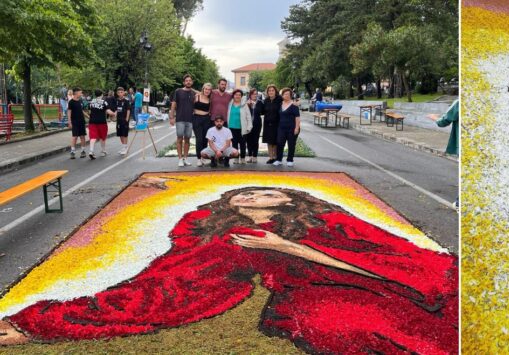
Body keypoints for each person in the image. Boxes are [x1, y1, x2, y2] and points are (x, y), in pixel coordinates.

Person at [0, 187, 458, 354]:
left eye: (265, 195)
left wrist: (288, 247)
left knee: (366, 324)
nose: (253, 199)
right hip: (282, 286)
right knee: (161, 292)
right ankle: (41, 322)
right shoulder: (219, 233)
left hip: (342, 276)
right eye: (244, 196)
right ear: (229, 203)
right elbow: (170, 277)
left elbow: (376, 262)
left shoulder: (328, 222)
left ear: (290, 200)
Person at [170, 74, 196, 167]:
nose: (188, 82)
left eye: (190, 80)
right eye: (186, 80)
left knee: (188, 139)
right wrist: (171, 117)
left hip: (190, 120)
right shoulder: (178, 91)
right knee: (180, 138)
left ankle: (185, 158)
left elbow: (201, 95)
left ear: (192, 82)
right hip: (180, 119)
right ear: (184, 82)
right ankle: (180, 159)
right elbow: (173, 104)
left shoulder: (194, 93)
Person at [274, 88, 300, 167]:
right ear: (282, 95)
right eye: (285, 94)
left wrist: (296, 128)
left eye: (288, 94)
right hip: (281, 128)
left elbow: (297, 118)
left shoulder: (294, 105)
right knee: (279, 143)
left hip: (292, 128)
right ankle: (279, 159)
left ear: (291, 95)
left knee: (291, 144)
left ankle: (290, 160)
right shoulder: (280, 104)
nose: (286, 96)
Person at [86, 89, 114, 159]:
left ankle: (91, 151)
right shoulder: (104, 102)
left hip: (92, 122)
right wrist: (114, 113)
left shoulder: (91, 102)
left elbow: (89, 112)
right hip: (102, 122)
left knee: (93, 137)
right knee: (102, 137)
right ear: (101, 95)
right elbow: (108, 111)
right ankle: (103, 151)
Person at [227, 89, 252, 164]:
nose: (237, 96)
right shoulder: (229, 104)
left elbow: (248, 117)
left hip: (242, 128)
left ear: (241, 96)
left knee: (243, 144)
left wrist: (249, 127)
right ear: (233, 95)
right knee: (234, 144)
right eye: (236, 94)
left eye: (239, 95)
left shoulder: (244, 105)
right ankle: (236, 158)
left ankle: (243, 158)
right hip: (231, 128)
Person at [260, 85, 281, 164]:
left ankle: (275, 157)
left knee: (275, 141)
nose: (271, 92)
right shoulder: (266, 100)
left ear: (275, 91)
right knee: (269, 141)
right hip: (267, 124)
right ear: (267, 92)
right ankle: (270, 157)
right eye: (269, 91)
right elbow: (262, 111)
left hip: (277, 123)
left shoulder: (279, 99)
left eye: (272, 90)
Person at [193, 83, 213, 166]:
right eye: (206, 89)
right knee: (199, 139)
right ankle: (198, 158)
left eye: (209, 89)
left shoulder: (210, 99)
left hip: (206, 119)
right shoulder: (197, 96)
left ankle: (204, 158)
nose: (207, 91)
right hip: (197, 119)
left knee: (205, 139)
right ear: (203, 89)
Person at [67, 87, 87, 159]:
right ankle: (72, 152)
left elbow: (82, 111)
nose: (81, 94)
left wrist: (88, 117)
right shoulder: (71, 102)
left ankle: (83, 151)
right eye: (80, 92)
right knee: (75, 136)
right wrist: (69, 122)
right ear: (76, 93)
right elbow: (69, 112)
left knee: (82, 136)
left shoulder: (80, 101)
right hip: (74, 121)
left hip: (81, 121)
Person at [245, 89, 262, 163]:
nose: (255, 95)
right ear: (250, 95)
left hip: (257, 124)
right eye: (253, 94)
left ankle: (255, 156)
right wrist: (248, 105)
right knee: (249, 140)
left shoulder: (260, 103)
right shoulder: (246, 103)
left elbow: (263, 111)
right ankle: (249, 156)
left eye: (256, 94)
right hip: (248, 124)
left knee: (255, 140)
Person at [114, 87, 131, 155]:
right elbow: (116, 109)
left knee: (125, 134)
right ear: (117, 93)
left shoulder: (126, 100)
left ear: (124, 93)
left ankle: (125, 148)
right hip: (119, 120)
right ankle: (124, 147)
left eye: (121, 92)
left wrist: (126, 119)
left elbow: (128, 110)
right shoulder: (117, 100)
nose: (120, 94)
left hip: (124, 120)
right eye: (119, 92)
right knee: (120, 134)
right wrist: (114, 114)